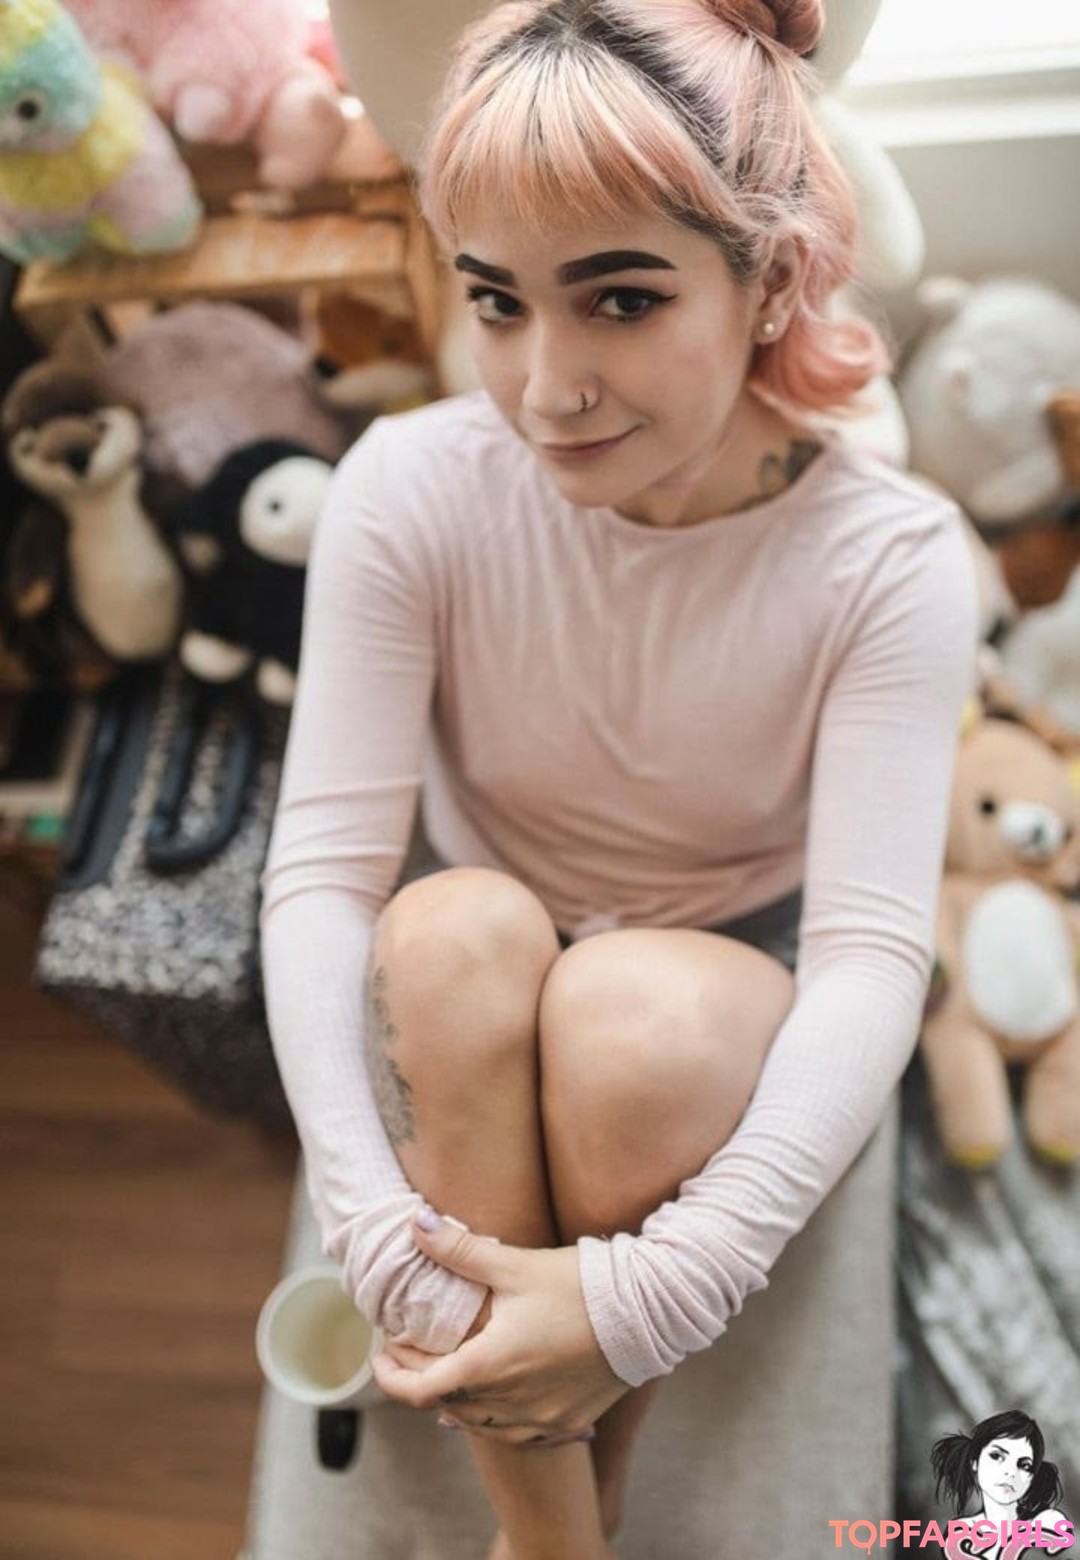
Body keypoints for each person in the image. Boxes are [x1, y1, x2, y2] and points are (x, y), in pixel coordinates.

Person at [260, 2, 977, 1555]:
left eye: (623, 298)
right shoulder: (409, 491)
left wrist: (655, 1290)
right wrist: (371, 1226)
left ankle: (559, 1494)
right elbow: (322, 875)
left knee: (627, 1022)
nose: (546, 388)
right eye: (498, 301)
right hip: (482, 940)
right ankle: (559, 1533)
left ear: (770, 280)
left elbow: (870, 954)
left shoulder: (894, 559)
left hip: (724, 980)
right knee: (449, 931)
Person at [931, 1410, 1073, 1560]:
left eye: (1024, 1465)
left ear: (1033, 1477)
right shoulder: (960, 1533)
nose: (1010, 1472)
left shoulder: (1046, 1523)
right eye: (996, 1456)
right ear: (975, 1461)